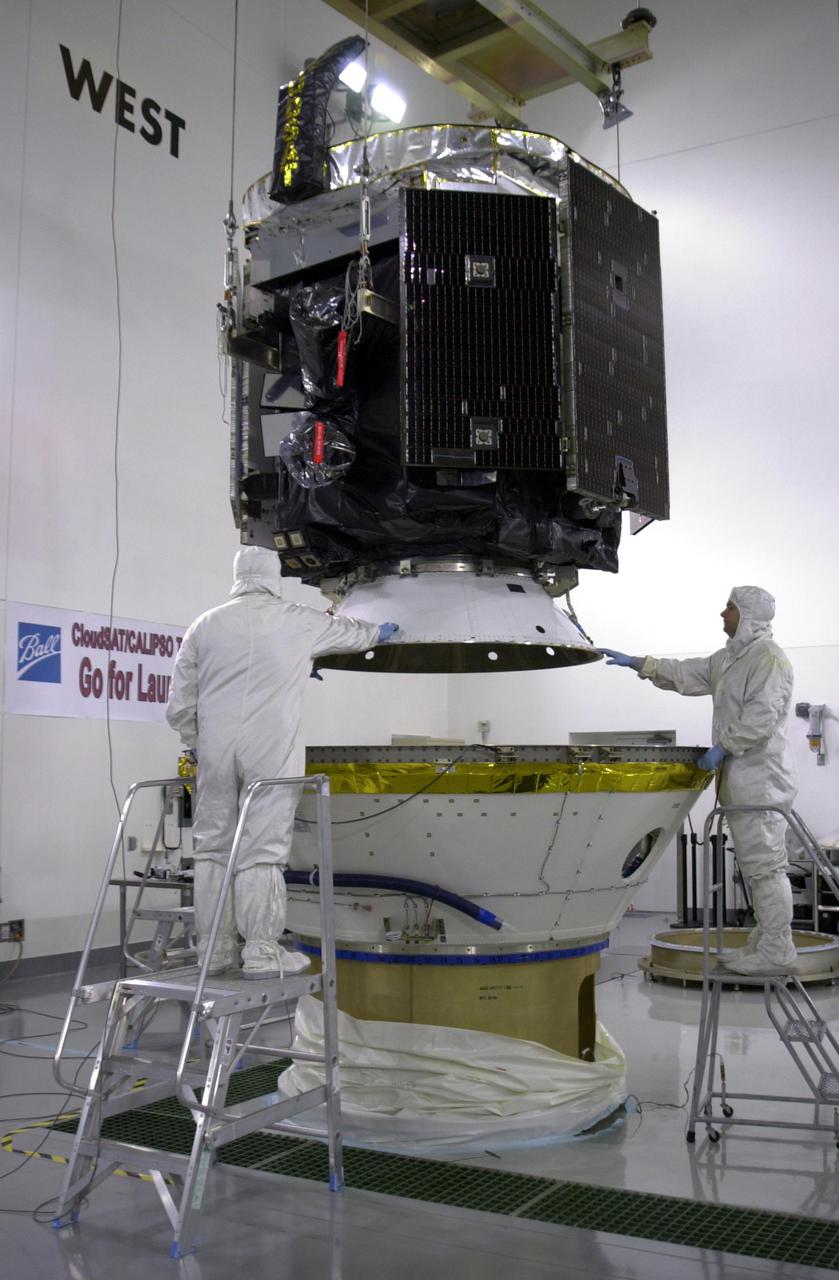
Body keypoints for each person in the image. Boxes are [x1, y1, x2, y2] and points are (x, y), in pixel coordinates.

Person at [166, 546, 399, 979]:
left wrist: (193, 740)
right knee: (262, 849)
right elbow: (355, 634)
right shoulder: (297, 619)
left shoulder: (205, 624)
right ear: (274, 576)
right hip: (270, 750)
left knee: (212, 849)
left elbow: (180, 699)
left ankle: (213, 953)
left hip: (215, 750)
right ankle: (260, 952)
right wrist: (382, 631)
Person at [599, 585, 797, 976]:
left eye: (730, 608)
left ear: (748, 615)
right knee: (756, 865)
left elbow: (762, 716)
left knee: (766, 867)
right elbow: (687, 673)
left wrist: (724, 747)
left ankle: (778, 947)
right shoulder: (729, 658)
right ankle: (766, 937)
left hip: (762, 780)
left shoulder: (768, 659)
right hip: (740, 780)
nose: (722, 614)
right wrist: (640, 662)